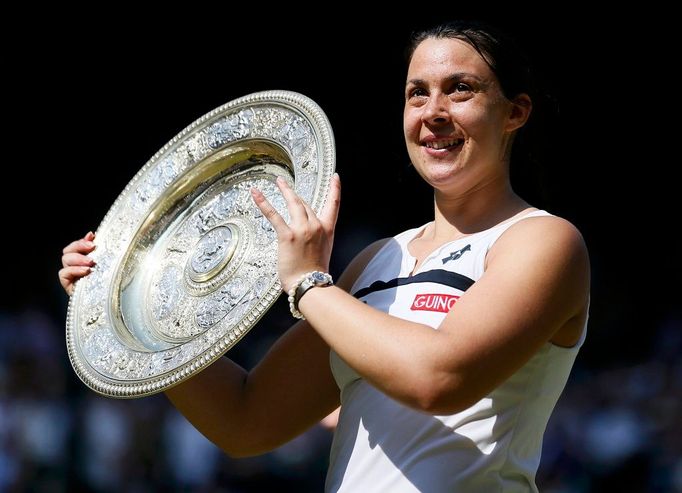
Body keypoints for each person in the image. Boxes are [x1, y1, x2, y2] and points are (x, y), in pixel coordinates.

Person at [60, 20, 589, 492]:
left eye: (461, 90)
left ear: (515, 112)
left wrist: (310, 285)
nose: (434, 113)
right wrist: (127, 310)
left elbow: (439, 379)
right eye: (417, 94)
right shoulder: (379, 259)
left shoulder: (544, 240)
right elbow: (247, 421)